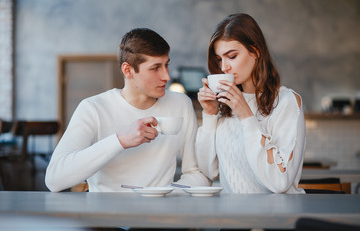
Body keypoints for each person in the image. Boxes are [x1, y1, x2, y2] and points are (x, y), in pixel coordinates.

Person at [45, 28, 210, 192]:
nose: (166, 76)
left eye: (166, 65)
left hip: (160, 214)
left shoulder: (180, 104)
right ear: (128, 70)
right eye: (155, 68)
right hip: (104, 215)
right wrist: (120, 140)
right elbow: (54, 180)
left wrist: (165, 192)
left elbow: (197, 173)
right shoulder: (93, 108)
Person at [196, 13, 306, 194]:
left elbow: (280, 182)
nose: (224, 67)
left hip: (274, 219)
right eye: (219, 59)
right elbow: (209, 172)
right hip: (233, 219)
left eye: (231, 56)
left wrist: (247, 116)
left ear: (255, 51)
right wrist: (209, 114)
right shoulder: (226, 105)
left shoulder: (287, 102)